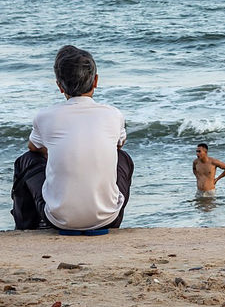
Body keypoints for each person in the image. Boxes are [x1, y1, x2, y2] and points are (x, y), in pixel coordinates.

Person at [11, 45, 134, 231]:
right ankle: (105, 210)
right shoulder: (113, 114)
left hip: (58, 220)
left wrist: (54, 153)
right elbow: (118, 146)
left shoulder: (45, 116)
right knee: (124, 158)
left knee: (25, 161)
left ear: (59, 86)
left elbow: (33, 149)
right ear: (96, 81)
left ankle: (27, 226)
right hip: (109, 219)